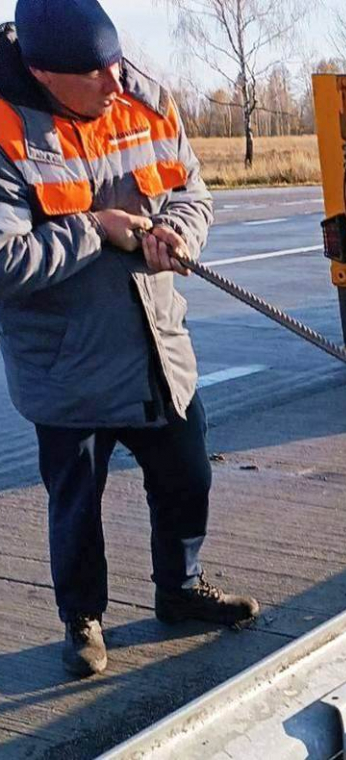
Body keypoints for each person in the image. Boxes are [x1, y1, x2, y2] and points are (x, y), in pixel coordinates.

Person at [0, 0, 258, 679]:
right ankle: (82, 620)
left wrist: (180, 231)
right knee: (77, 503)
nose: (115, 82)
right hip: (68, 364)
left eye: (116, 63)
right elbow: (4, 261)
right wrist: (95, 230)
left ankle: (181, 587)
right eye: (95, 74)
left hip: (156, 348)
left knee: (188, 477)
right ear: (43, 72)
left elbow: (190, 190)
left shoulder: (141, 97)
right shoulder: (5, 128)